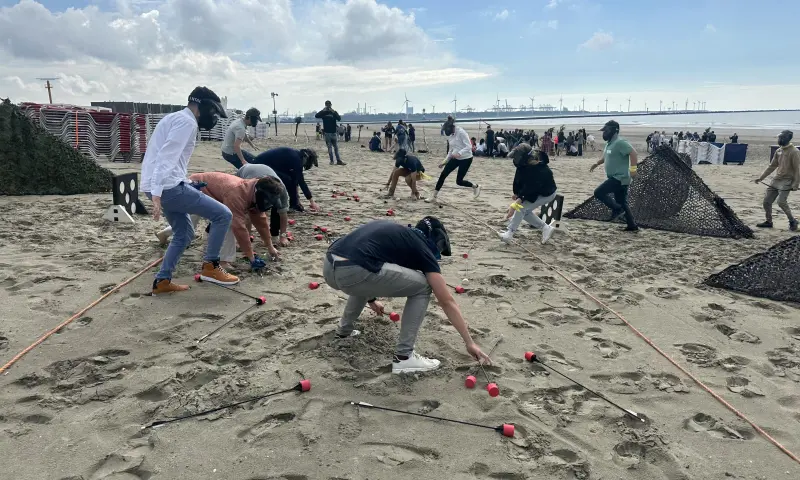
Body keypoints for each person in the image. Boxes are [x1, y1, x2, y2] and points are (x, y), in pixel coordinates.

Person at [322, 217, 492, 373]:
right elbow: (447, 301)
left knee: (370, 264)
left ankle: (343, 331)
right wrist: (469, 342)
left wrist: (371, 300)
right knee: (424, 286)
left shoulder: (399, 234)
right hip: (354, 271)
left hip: (329, 267)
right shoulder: (421, 246)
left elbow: (365, 255)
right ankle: (404, 357)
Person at [141, 86, 238, 294]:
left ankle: (162, 281)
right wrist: (157, 193)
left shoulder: (174, 118)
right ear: (204, 106)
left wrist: (185, 183)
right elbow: (166, 157)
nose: (213, 117)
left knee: (184, 233)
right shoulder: (187, 122)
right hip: (167, 187)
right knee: (223, 215)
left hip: (162, 184)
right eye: (213, 112)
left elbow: (169, 159)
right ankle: (211, 266)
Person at [188, 171, 286, 270]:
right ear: (260, 194)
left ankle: (208, 244)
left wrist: (270, 247)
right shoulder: (237, 194)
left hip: (213, 193)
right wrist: (251, 257)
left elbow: (261, 224)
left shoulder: (254, 193)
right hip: (196, 188)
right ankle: (222, 261)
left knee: (189, 226)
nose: (267, 204)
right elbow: (239, 227)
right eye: (267, 201)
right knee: (227, 221)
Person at [500, 145, 558, 244]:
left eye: (516, 157)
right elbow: (519, 180)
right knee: (524, 211)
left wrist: (516, 203)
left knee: (520, 207)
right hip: (534, 192)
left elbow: (531, 189)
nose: (515, 160)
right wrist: (517, 193)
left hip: (547, 194)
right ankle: (546, 228)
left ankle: (509, 233)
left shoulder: (540, 170)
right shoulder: (523, 166)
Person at [589, 120, 639, 232]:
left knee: (599, 192)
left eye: (606, 131)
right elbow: (605, 158)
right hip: (616, 177)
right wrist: (596, 164)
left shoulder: (620, 143)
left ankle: (617, 210)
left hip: (620, 177)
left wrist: (633, 169)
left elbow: (633, 153)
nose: (604, 133)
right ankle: (632, 226)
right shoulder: (609, 144)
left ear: (614, 131)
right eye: (603, 131)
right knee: (622, 202)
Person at [426, 118, 481, 203]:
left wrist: (459, 153)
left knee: (459, 181)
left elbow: (469, 146)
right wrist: (444, 162)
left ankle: (475, 186)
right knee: (443, 175)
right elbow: (450, 150)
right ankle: (434, 196)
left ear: (451, 127)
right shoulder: (450, 136)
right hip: (455, 158)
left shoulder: (461, 132)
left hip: (466, 158)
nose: (446, 132)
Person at [754, 130, 799, 231]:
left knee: (781, 202)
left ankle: (792, 221)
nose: (779, 139)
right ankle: (769, 221)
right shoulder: (778, 151)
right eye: (779, 137)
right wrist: (761, 177)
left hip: (787, 181)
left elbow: (797, 169)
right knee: (766, 201)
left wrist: (796, 183)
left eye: (781, 138)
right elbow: (772, 166)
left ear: (787, 138)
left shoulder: (794, 152)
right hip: (776, 179)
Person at [251, 147, 319, 212]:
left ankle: (294, 204)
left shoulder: (295, 155)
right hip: (260, 166)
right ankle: (292, 205)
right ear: (307, 157)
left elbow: (295, 180)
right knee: (288, 180)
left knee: (290, 180)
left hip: (262, 164)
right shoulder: (296, 159)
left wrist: (297, 200)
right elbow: (301, 182)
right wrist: (312, 201)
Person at [315, 100, 346, 165]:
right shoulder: (330, 112)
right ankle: (337, 160)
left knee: (331, 148)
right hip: (331, 132)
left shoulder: (325, 113)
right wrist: (332, 111)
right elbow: (339, 118)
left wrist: (323, 111)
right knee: (335, 148)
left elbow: (317, 115)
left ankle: (333, 161)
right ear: (330, 105)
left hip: (329, 133)